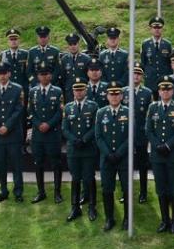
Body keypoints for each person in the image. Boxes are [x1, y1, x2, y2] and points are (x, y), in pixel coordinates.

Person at [147, 78, 174, 233]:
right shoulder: (153, 108)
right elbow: (148, 129)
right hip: (158, 155)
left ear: (172, 91)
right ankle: (164, 220)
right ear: (159, 91)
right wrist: (157, 145)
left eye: (168, 89)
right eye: (163, 90)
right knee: (161, 188)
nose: (165, 92)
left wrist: (168, 145)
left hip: (173, 154)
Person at [94, 83, 130, 232]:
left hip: (123, 158)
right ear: (107, 96)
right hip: (107, 158)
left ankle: (128, 218)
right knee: (107, 189)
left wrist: (119, 153)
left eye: (117, 94)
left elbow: (131, 136)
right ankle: (110, 218)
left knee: (126, 188)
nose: (114, 97)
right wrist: (108, 153)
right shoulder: (101, 113)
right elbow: (98, 136)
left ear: (121, 96)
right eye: (111, 94)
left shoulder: (128, 112)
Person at [0, 62, 24, 203]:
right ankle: (3, 191)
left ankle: (18, 191)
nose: (2, 76)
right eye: (0, 73)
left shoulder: (17, 89)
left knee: (16, 165)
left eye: (5, 73)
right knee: (0, 164)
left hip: (13, 134)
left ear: (9, 73)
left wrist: (7, 126)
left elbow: (18, 110)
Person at [62, 80, 98, 222]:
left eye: (81, 90)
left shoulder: (93, 106)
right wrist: (74, 140)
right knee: (75, 178)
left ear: (85, 91)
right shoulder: (68, 107)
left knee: (89, 178)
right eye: (76, 90)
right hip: (73, 150)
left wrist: (83, 140)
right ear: (73, 92)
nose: (78, 93)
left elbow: (95, 126)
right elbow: (64, 128)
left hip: (88, 148)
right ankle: (75, 207)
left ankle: (92, 207)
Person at [27, 66, 63, 204]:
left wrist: (48, 124)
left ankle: (57, 192)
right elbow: (30, 111)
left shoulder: (58, 91)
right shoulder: (32, 92)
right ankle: (41, 192)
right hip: (38, 136)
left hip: (52, 134)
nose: (43, 77)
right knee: (38, 164)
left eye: (46, 74)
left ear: (50, 76)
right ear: (38, 76)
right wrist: (38, 124)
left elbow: (60, 112)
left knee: (56, 164)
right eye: (41, 75)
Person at [130, 66, 154, 203]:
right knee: (126, 165)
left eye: (139, 74)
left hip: (141, 134)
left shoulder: (147, 93)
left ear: (142, 77)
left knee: (142, 164)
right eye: (134, 74)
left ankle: (143, 191)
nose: (136, 77)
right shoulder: (124, 92)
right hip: (127, 134)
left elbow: (149, 115)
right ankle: (126, 191)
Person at [141, 16, 173, 85]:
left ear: (162, 29)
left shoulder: (167, 44)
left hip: (164, 80)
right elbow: (143, 62)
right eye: (155, 27)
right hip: (150, 80)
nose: (157, 30)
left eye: (159, 27)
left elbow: (170, 63)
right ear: (151, 29)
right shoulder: (145, 44)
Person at [59, 33, 90, 103]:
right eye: (70, 44)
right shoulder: (64, 59)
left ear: (78, 44)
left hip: (82, 92)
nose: (73, 46)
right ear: (68, 46)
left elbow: (89, 77)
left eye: (75, 44)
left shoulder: (86, 59)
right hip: (69, 92)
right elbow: (62, 78)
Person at [0, 28, 29, 94]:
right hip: (9, 88)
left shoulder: (25, 54)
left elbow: (29, 71)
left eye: (15, 39)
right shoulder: (3, 55)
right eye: (11, 39)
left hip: (23, 87)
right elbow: (2, 72)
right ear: (8, 41)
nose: (13, 41)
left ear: (19, 40)